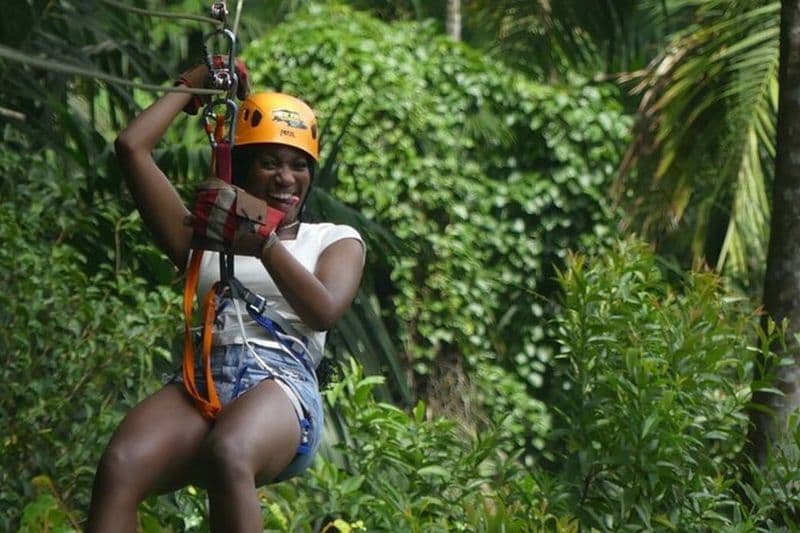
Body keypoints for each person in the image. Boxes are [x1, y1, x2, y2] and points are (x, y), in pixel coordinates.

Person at [86, 64, 365, 532]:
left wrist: (265, 241)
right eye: (269, 162)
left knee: (230, 449)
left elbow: (324, 309)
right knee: (121, 464)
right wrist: (192, 86)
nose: (286, 178)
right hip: (204, 381)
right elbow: (131, 148)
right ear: (241, 168)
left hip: (282, 383)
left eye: (299, 165)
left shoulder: (334, 239)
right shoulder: (204, 237)